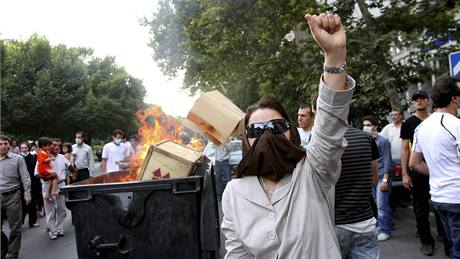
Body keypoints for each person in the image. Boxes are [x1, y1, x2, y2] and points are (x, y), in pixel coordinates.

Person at [221, 13, 355, 258]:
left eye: (276, 126)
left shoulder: (313, 170)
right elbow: (236, 252)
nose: (267, 136)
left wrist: (334, 55)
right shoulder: (233, 192)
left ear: (291, 132)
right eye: (256, 130)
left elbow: (330, 127)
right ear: (246, 140)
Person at [410, 76, 460, 257]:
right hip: (456, 198)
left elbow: (414, 163)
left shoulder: (421, 128)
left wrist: (438, 173)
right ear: (454, 98)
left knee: (452, 246)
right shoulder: (456, 125)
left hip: (439, 197)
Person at [401, 89, 442, 256]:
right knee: (421, 208)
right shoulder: (408, 123)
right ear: (412, 103)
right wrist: (405, 174)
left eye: (422, 98)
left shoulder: (437, 120)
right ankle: (426, 240)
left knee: (441, 205)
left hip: (438, 170)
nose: (419, 101)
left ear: (428, 101)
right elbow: (405, 150)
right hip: (417, 170)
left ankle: (444, 234)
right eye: (416, 99)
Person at [334, 126, 380, 258]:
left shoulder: (320, 142)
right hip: (364, 223)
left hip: (334, 225)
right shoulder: (366, 138)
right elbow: (374, 180)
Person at [0, 135, 31, 259]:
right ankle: (4, 247)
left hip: (13, 195)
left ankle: (13, 253)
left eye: (5, 143)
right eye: (1, 144)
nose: (3, 146)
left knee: (15, 228)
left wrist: (27, 194)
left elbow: (25, 177)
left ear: (9, 144)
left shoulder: (18, 159)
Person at [35, 138, 74, 239]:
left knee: (62, 209)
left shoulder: (62, 157)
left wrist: (73, 175)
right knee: (50, 210)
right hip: (47, 184)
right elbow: (37, 173)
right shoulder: (44, 156)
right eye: (54, 145)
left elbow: (70, 168)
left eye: (59, 145)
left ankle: (59, 228)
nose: (57, 147)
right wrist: (49, 177)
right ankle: (52, 230)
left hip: (61, 185)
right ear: (48, 146)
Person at [19, 142, 40, 228]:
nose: (24, 149)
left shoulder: (33, 157)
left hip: (33, 183)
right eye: (22, 148)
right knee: (22, 204)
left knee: (32, 203)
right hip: (21, 184)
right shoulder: (18, 158)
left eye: (25, 147)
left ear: (28, 148)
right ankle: (20, 221)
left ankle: (33, 221)